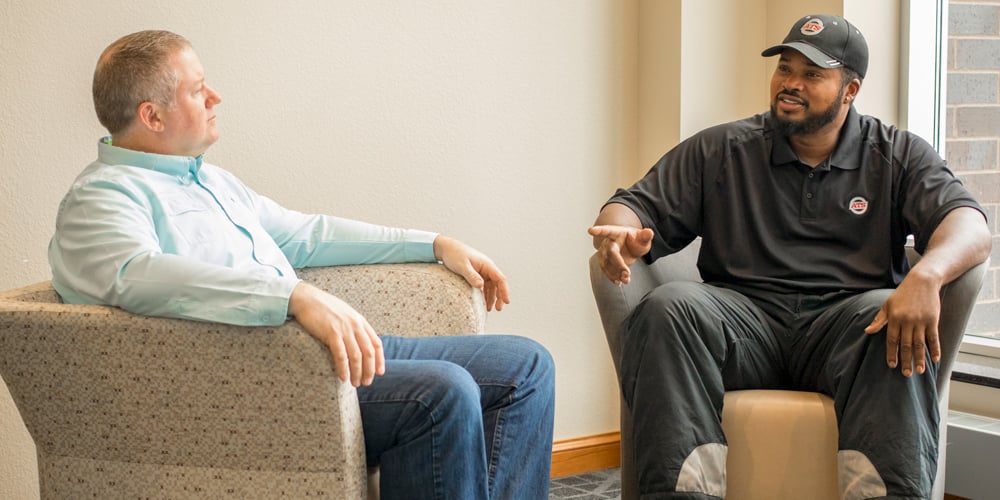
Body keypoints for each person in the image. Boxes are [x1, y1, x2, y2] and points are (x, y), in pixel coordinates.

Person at [49, 30, 555, 500]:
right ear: (152, 116)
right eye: (198, 89)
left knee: (526, 366)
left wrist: (434, 243)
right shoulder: (102, 198)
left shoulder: (212, 182)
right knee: (441, 392)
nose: (215, 98)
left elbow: (308, 234)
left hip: (328, 357)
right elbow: (138, 275)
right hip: (270, 380)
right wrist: (293, 296)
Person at [589, 14, 991, 500]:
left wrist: (927, 274)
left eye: (812, 74)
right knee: (668, 307)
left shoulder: (896, 154)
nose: (791, 84)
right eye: (785, 69)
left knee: (889, 318)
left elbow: (970, 225)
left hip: (847, 328)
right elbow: (634, 203)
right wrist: (617, 229)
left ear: (850, 90)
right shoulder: (725, 147)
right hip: (743, 324)